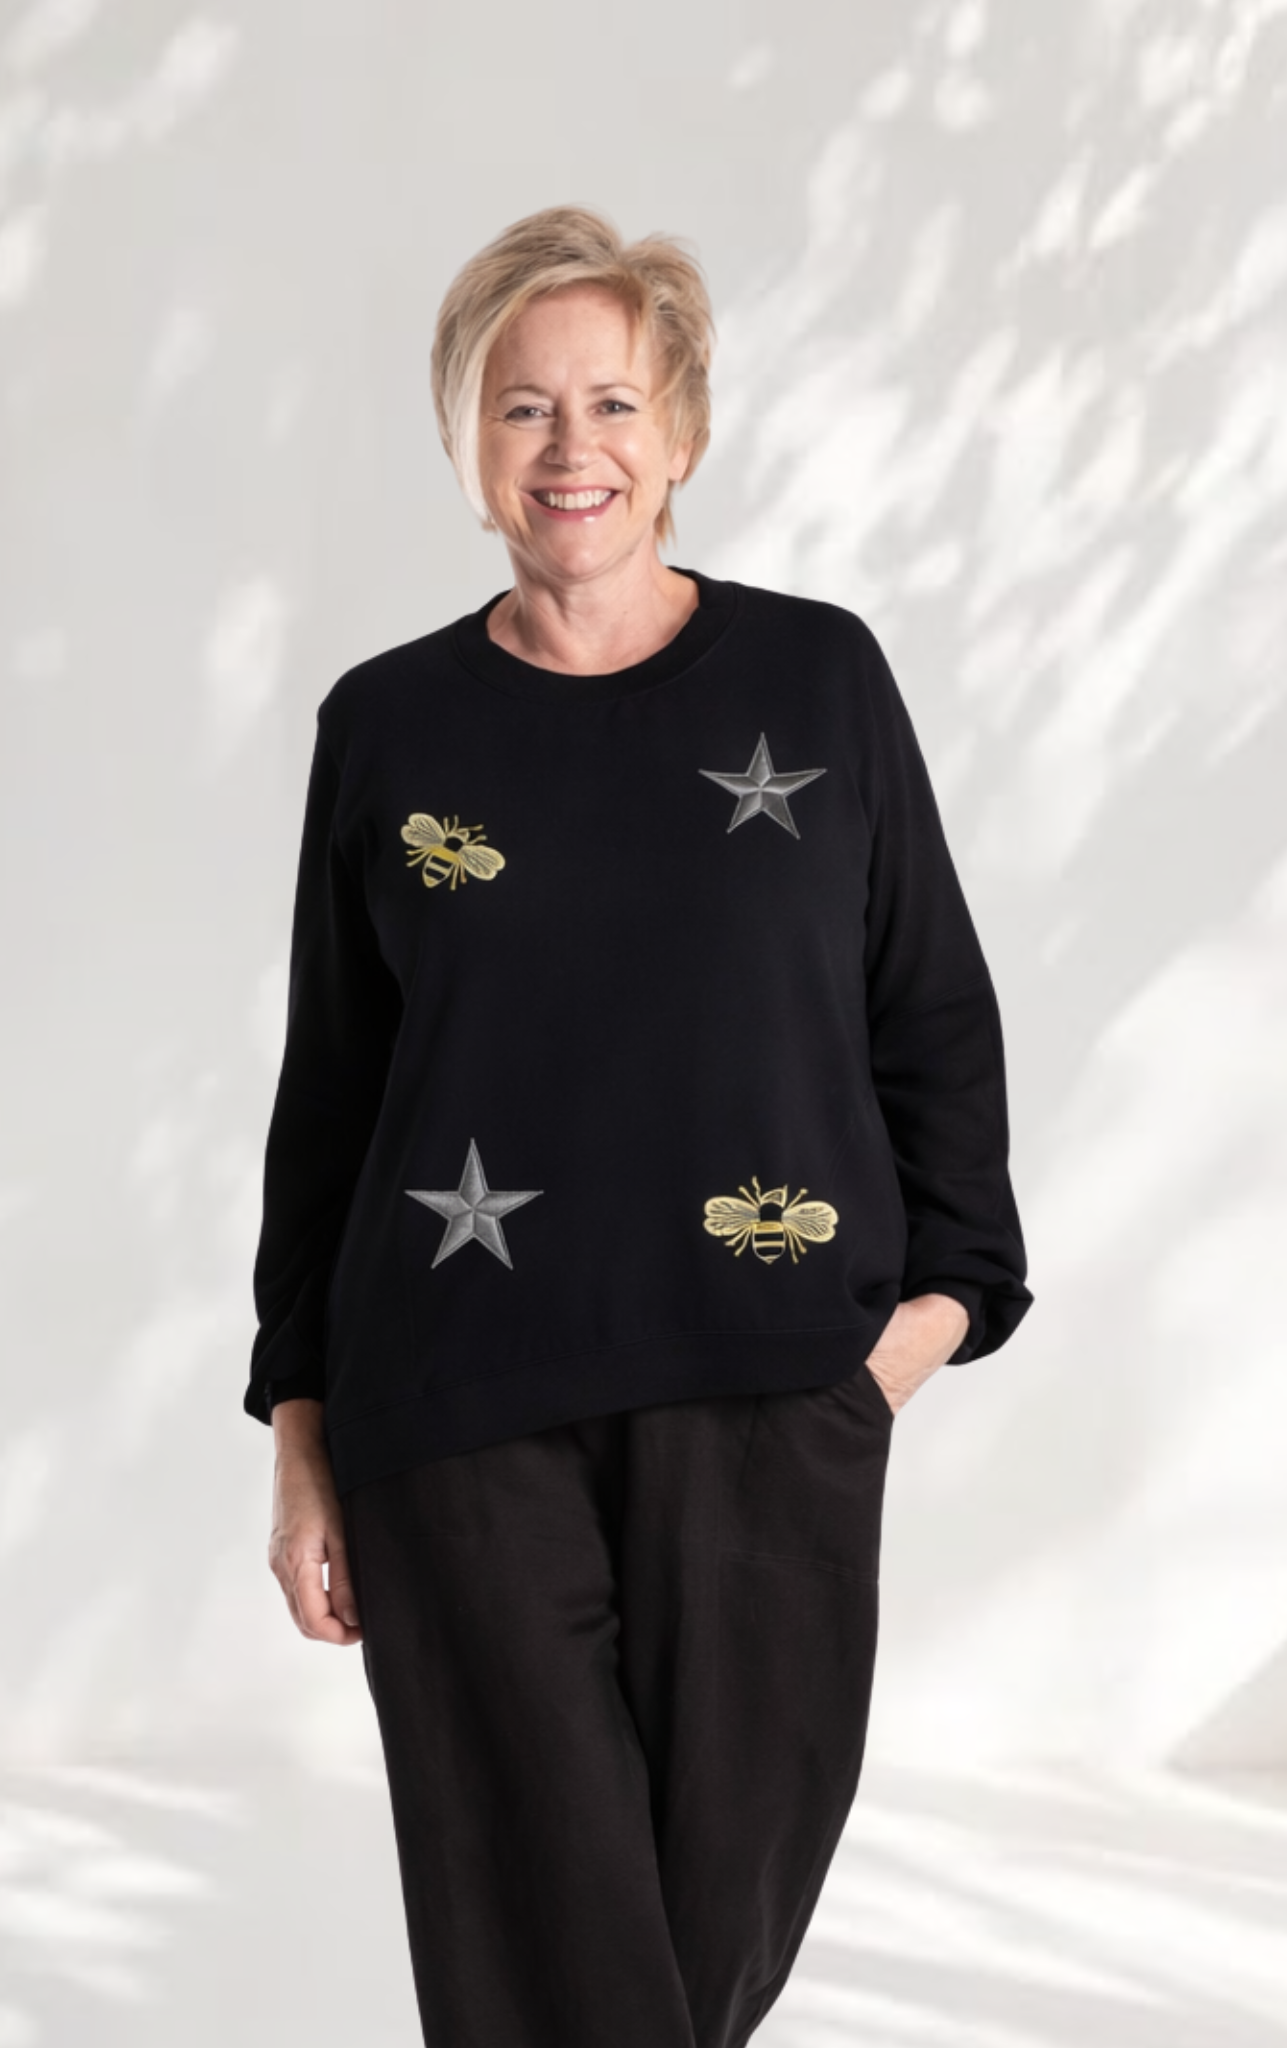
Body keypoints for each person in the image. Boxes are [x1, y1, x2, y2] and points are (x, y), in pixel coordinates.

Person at [245, 203, 1032, 2048]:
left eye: (611, 402)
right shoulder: (387, 727)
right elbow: (331, 1099)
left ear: (681, 433)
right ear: (468, 443)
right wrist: (301, 1437)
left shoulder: (818, 679)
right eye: (521, 407)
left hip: (772, 1396)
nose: (569, 448)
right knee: (540, 1954)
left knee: (701, 1938)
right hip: (455, 1410)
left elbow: (931, 1017)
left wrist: (902, 1349)